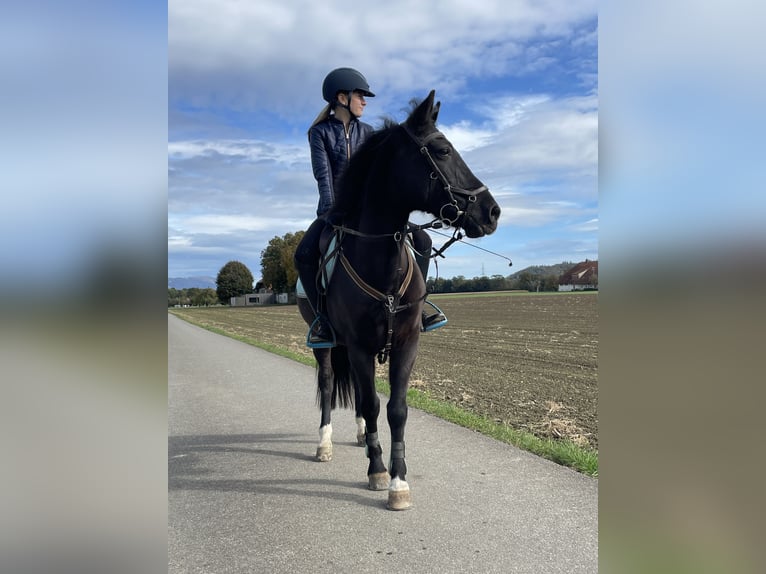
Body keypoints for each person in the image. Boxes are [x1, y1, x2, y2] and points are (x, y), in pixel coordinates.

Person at [294, 67, 446, 348]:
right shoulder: (320, 133)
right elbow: (323, 175)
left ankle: (418, 308)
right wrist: (332, 210)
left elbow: (382, 175)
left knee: (423, 241)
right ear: (342, 97)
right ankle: (322, 322)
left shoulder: (368, 132)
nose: (364, 101)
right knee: (303, 253)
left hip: (372, 213)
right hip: (334, 211)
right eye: (360, 96)